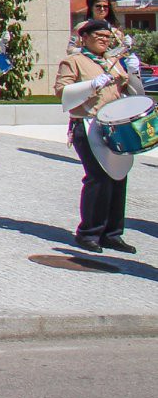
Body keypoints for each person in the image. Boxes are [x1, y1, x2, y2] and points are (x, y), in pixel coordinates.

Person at [55, 19, 141, 254]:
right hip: (87, 122)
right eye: (99, 36)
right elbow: (62, 93)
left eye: (107, 36)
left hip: (114, 125)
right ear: (85, 37)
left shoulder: (112, 62)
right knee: (98, 178)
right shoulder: (74, 61)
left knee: (118, 177)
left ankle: (112, 233)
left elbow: (131, 91)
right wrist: (91, 84)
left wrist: (132, 73)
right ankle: (89, 232)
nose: (104, 39)